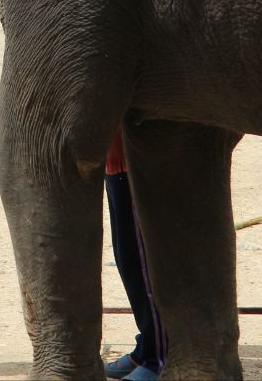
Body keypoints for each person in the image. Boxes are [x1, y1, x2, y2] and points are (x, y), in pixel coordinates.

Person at [104, 131, 163, 381]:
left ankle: (161, 356)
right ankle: (148, 346)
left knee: (139, 255)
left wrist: (118, 139)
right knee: (126, 252)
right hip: (119, 145)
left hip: (137, 142)